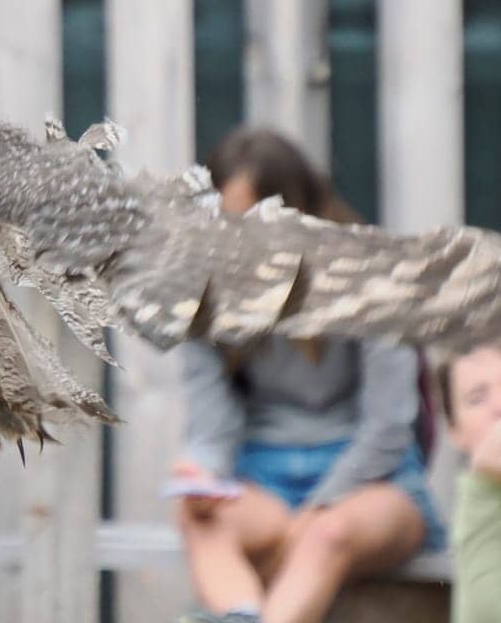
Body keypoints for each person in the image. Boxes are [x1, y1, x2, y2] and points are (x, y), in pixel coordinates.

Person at [171, 128, 445, 623]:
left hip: (371, 482)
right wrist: (201, 473)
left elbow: (387, 428)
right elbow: (212, 427)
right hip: (262, 480)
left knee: (325, 538)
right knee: (198, 519)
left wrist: (317, 511)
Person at [436, 341, 501, 622]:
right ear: (455, 431)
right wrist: (483, 484)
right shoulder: (478, 506)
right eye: (477, 398)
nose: (499, 406)